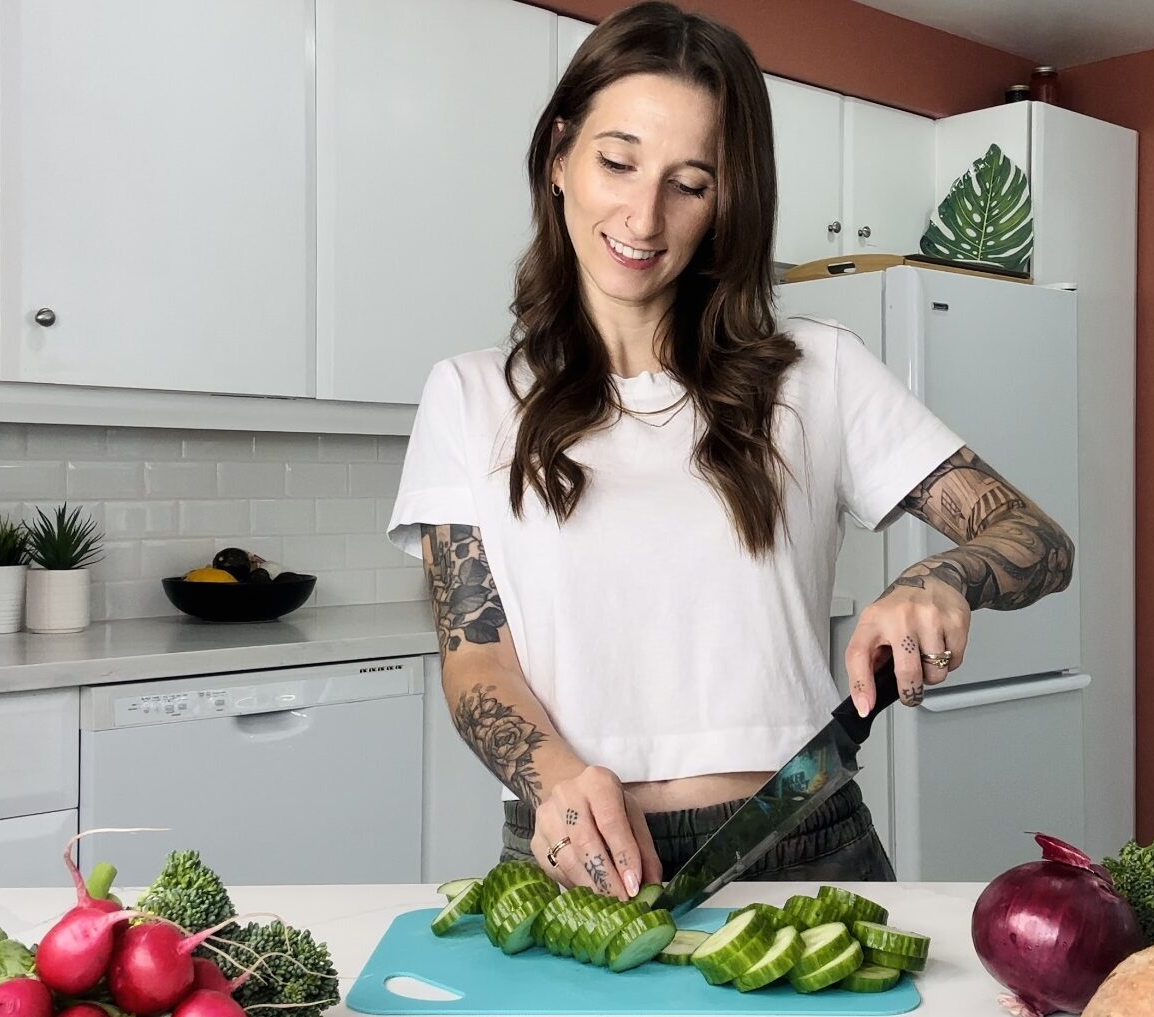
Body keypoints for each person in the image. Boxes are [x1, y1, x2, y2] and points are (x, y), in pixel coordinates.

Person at [386, 1, 1074, 899]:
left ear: (726, 200)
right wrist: (554, 777)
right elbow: (477, 654)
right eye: (618, 161)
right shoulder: (470, 396)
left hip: (805, 847)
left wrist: (941, 578)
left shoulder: (817, 371)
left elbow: (1037, 538)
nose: (643, 213)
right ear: (560, 157)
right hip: (572, 856)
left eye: (691, 181)